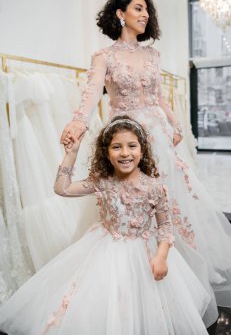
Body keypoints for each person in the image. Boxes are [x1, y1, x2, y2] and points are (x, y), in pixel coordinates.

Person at [61, 0, 231, 309]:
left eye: (148, 10)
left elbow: (159, 96)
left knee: (169, 202)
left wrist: (175, 123)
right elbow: (91, 95)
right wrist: (78, 123)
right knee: (128, 203)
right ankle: (130, 271)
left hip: (159, 139)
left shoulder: (153, 55)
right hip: (127, 138)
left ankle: (178, 271)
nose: (146, 14)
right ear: (120, 13)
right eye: (139, 8)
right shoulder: (103, 57)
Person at [0, 116, 212, 335]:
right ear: (106, 152)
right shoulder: (102, 181)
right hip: (105, 250)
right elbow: (62, 189)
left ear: (142, 149)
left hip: (145, 254)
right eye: (116, 147)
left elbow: (166, 227)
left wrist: (161, 256)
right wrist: (71, 154)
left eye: (132, 146)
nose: (125, 153)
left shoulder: (154, 186)